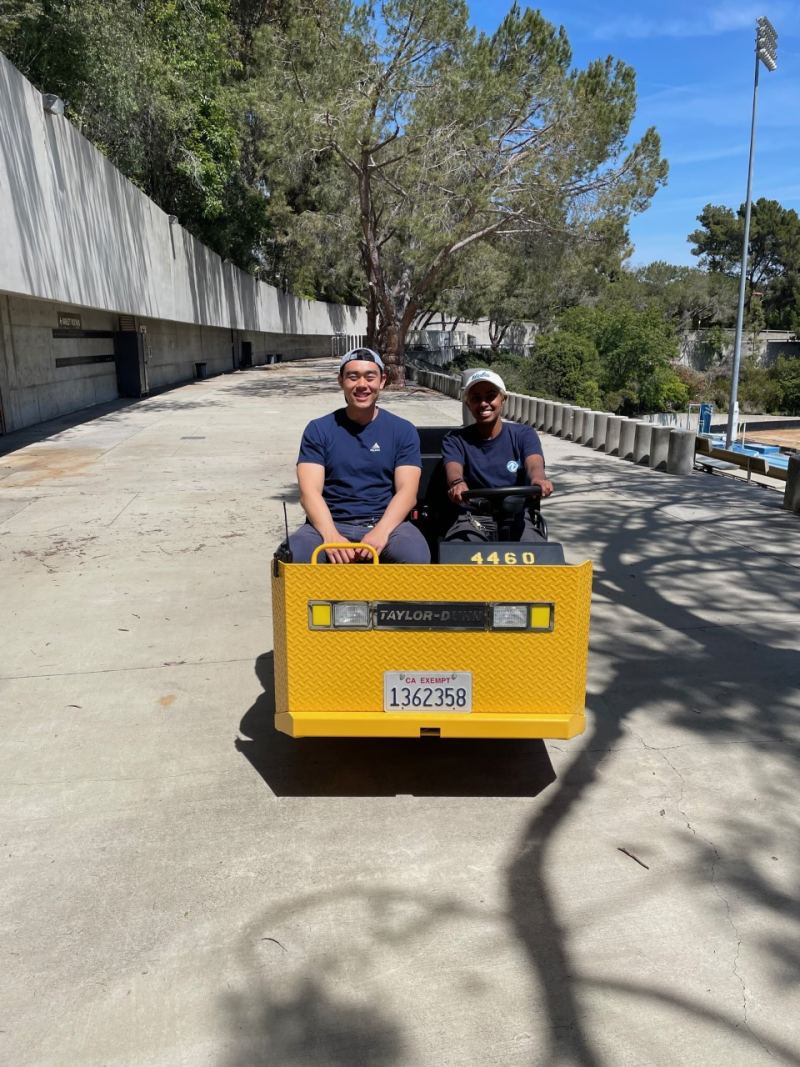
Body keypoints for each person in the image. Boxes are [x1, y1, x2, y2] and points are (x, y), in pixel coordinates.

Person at [288, 348, 430, 564]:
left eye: (369, 377)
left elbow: (407, 492)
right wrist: (331, 535)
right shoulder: (318, 430)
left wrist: (381, 532)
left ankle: (394, 600)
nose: (362, 385)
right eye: (353, 377)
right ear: (341, 381)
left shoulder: (402, 430)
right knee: (294, 554)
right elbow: (309, 493)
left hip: (386, 524)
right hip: (330, 523)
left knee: (415, 555)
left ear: (382, 381)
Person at [441, 369, 553, 543]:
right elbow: (453, 469)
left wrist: (538, 480)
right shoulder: (455, 440)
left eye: (490, 396)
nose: (484, 403)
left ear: (503, 399)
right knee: (458, 556)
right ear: (469, 405)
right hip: (473, 519)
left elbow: (534, 465)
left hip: (517, 518)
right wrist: (458, 484)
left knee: (542, 561)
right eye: (476, 398)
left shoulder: (524, 434)